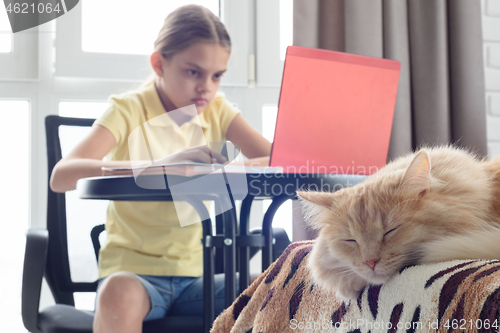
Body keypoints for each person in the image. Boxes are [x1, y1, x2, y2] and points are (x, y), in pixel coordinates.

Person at [50, 4, 271, 333]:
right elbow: (62, 175)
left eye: (216, 76)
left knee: (279, 284)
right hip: (134, 278)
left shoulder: (218, 110)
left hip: (200, 279)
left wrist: (238, 169)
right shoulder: (129, 109)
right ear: (159, 64)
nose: (206, 87)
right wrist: (156, 167)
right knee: (118, 292)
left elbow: (280, 158)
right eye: (193, 72)